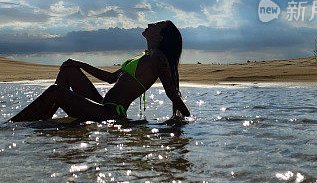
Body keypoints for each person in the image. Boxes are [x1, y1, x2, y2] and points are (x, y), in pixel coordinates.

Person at [10, 20, 191, 122]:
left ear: (160, 36)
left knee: (55, 91)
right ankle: (43, 120)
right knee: (69, 70)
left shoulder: (157, 57)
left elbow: (172, 93)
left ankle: (14, 124)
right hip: (103, 105)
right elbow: (110, 78)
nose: (150, 24)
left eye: (156, 25)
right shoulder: (145, 55)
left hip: (111, 114)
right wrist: (79, 64)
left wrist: (183, 119)